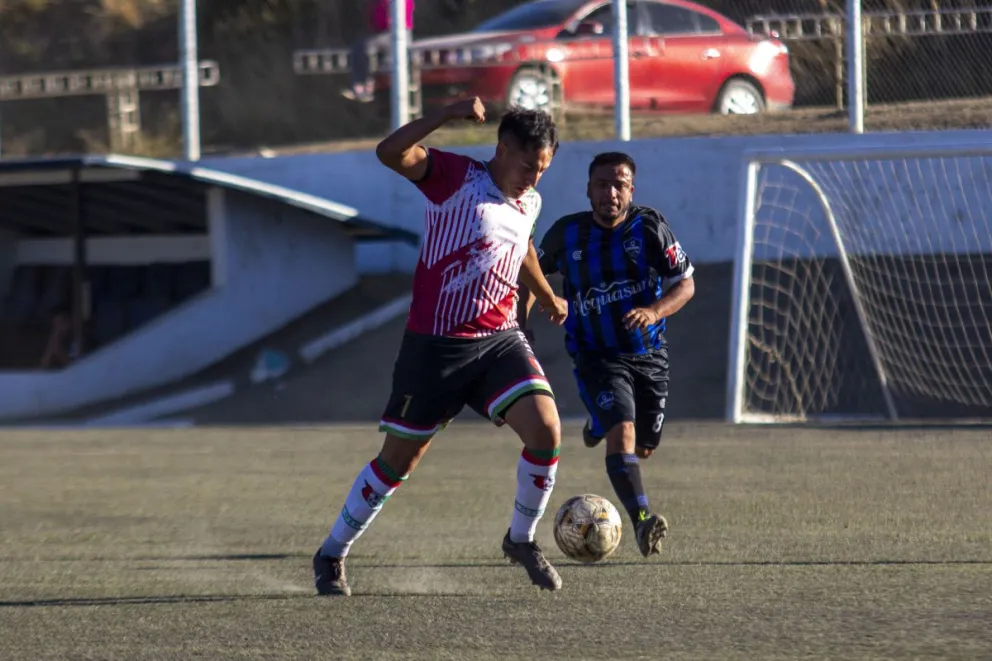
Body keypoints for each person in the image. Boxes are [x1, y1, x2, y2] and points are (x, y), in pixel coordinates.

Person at [313, 98, 570, 596]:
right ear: (502, 148)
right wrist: (447, 113)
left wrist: (542, 293)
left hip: (499, 342)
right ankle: (332, 552)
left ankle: (521, 540)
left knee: (546, 431)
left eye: (542, 170)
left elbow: (522, 243)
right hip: (434, 350)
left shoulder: (530, 200)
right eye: (526, 166)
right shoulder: (454, 176)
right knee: (396, 464)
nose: (533, 179)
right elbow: (390, 152)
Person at [520, 151, 696, 558]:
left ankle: (598, 421)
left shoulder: (650, 227)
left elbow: (685, 284)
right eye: (602, 184)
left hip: (649, 354)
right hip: (595, 353)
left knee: (644, 447)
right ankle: (641, 522)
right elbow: (530, 274)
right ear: (588, 189)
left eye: (619, 184)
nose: (610, 193)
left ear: (631, 190)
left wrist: (653, 311)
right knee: (625, 432)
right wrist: (520, 324)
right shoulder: (566, 235)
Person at [343, 0, 416, 103]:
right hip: (379, 32)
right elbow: (371, 13)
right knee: (360, 49)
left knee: (386, 60)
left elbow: (405, 10)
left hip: (397, 31)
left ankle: (371, 85)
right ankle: (361, 85)